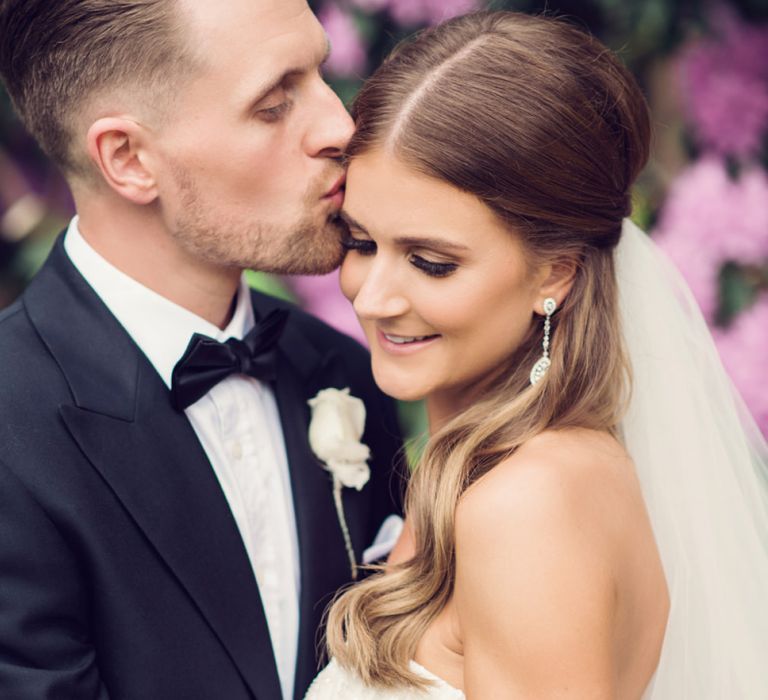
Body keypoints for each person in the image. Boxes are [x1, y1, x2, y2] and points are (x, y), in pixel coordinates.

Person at [305, 11, 768, 700]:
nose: (371, 297)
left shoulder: (529, 505)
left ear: (554, 272)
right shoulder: (505, 468)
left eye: (430, 263)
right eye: (362, 242)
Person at [0, 1, 403, 698]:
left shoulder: (341, 368)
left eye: (320, 75)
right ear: (129, 159)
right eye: (275, 104)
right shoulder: (13, 429)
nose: (340, 126)